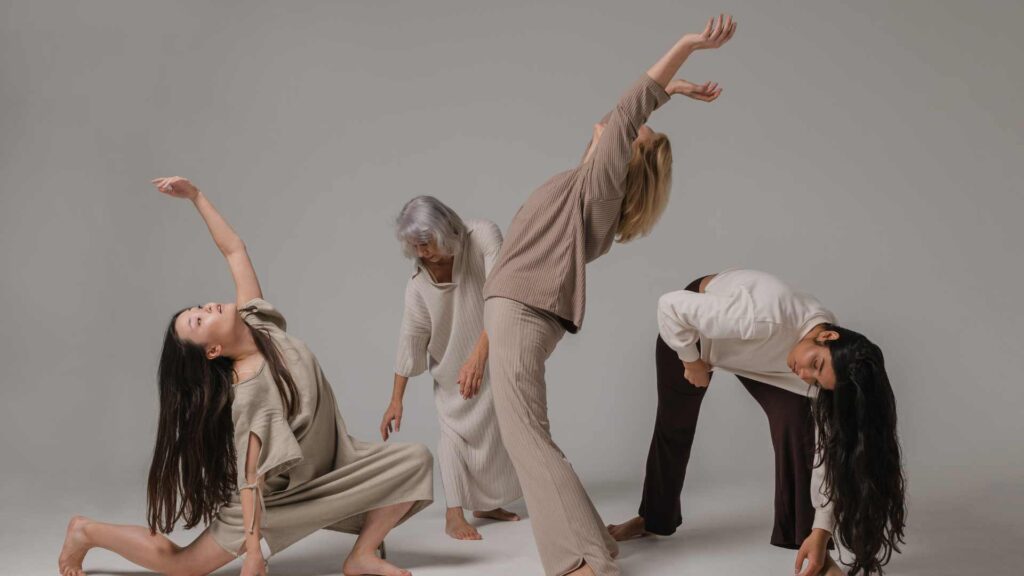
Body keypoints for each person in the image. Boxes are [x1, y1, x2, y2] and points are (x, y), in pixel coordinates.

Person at [58, 177, 434, 576]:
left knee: (415, 461)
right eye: (199, 320)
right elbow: (250, 480)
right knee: (184, 566)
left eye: (200, 307)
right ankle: (86, 531)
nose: (208, 307)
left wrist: (196, 197)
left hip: (334, 468)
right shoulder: (252, 386)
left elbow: (234, 250)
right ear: (213, 351)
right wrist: (254, 553)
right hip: (277, 499)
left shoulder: (258, 323)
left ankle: (361, 556)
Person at [481, 14, 737, 576]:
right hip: (518, 309)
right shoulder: (585, 184)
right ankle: (593, 539)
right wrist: (669, 94)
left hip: (523, 311)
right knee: (529, 435)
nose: (610, 127)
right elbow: (619, 116)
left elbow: (625, 110)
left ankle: (584, 560)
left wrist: (687, 47)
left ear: (625, 159)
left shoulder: (600, 187)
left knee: (528, 439)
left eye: (627, 136)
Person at [608, 269, 907, 576]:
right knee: (675, 426)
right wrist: (690, 359)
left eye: (817, 378)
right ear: (827, 336)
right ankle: (653, 519)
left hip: (757, 351)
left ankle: (813, 550)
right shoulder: (763, 316)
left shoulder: (819, 365)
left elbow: (824, 452)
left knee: (800, 425)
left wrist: (823, 528)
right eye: (815, 364)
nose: (804, 376)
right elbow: (670, 305)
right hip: (691, 333)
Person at [380, 196, 522, 540]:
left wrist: (480, 356)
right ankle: (454, 513)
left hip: (492, 353)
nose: (421, 252)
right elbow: (409, 341)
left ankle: (486, 503)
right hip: (450, 369)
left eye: (426, 243)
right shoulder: (417, 287)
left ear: (445, 231)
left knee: (498, 433)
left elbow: (502, 294)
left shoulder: (482, 236)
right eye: (413, 246)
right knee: (454, 436)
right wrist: (396, 400)